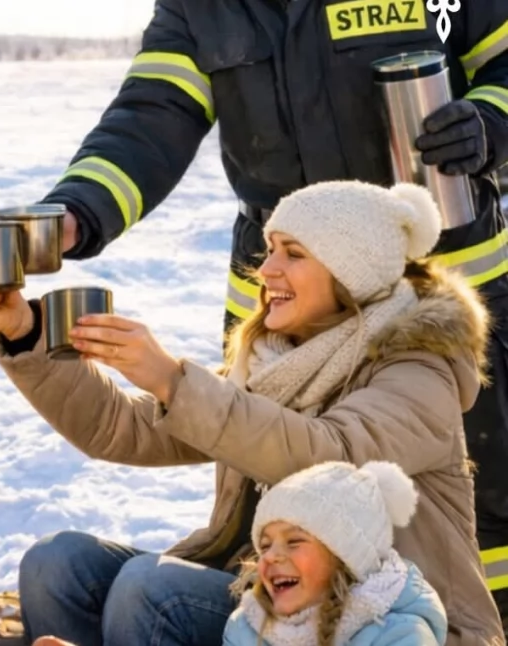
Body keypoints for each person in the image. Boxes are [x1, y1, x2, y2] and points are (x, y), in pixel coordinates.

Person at [35, 0, 508, 620]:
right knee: (282, 501)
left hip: (429, 288)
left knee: (473, 513)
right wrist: (78, 210)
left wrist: (489, 121)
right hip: (284, 294)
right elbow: (152, 115)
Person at [0, 180, 504, 645]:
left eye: (293, 253)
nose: (265, 270)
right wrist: (22, 329)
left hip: (382, 623)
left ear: (349, 272)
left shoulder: (419, 369)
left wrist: (173, 380)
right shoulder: (277, 363)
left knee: (152, 589)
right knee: (58, 564)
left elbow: (330, 459)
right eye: (268, 249)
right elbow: (122, 429)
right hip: (271, 598)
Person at [223, 461, 445, 645]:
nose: (271, 556)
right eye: (265, 546)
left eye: (294, 541)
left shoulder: (400, 635)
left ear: (345, 557)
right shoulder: (247, 627)